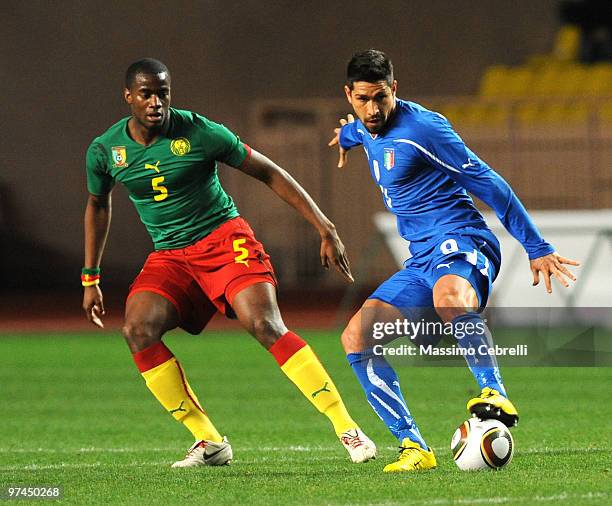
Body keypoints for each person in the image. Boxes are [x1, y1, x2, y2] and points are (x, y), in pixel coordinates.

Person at [82, 58, 376, 468]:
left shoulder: (200, 132)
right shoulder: (105, 150)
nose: (155, 103)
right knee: (137, 328)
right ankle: (208, 440)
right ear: (128, 96)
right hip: (170, 255)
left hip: (224, 240)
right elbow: (98, 204)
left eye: (163, 93)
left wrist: (324, 227)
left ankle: (347, 427)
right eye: (146, 94)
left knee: (264, 324)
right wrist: (90, 277)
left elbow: (269, 172)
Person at [328, 49, 580, 473]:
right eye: (362, 100)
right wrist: (346, 137)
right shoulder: (363, 126)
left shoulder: (424, 129)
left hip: (463, 239)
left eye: (381, 99)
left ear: (395, 89)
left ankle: (493, 391)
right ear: (348, 95)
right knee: (355, 337)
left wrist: (536, 246)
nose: (372, 110)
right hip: (420, 257)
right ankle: (415, 448)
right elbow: (357, 132)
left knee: (449, 296)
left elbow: (492, 185)